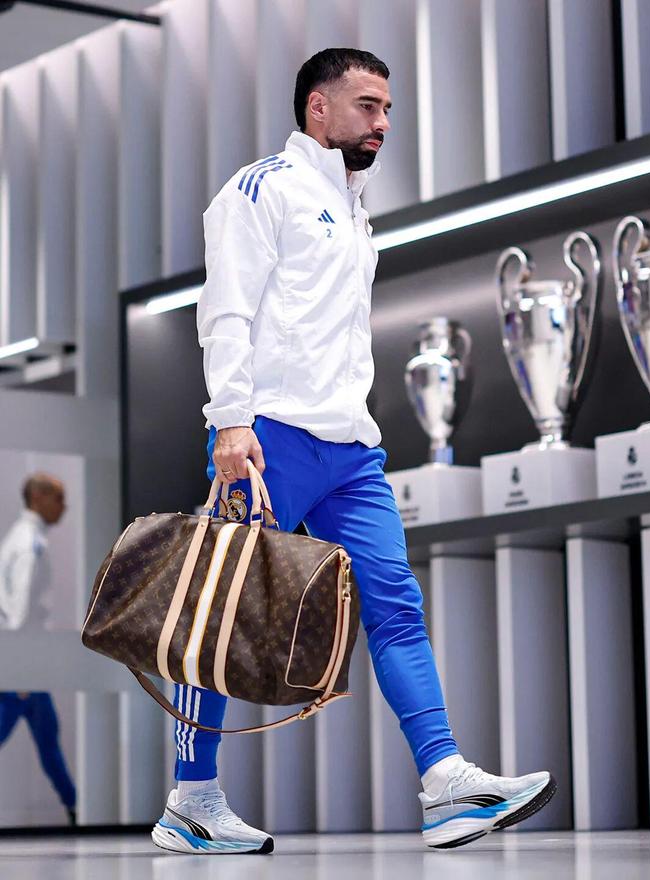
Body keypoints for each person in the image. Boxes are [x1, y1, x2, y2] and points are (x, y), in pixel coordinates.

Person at [151, 48, 555, 856]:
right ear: (318, 108)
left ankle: (445, 783)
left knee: (396, 604)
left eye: (388, 109)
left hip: (351, 449)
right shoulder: (260, 189)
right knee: (221, 614)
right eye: (369, 106)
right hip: (266, 438)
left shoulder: (352, 204)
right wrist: (231, 422)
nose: (383, 123)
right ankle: (192, 800)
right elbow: (225, 311)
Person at [0, 473, 76, 825]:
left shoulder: (23, 538)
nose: (64, 507)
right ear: (38, 498)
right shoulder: (29, 543)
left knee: (49, 743)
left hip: (26, 665)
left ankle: (75, 808)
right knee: (46, 743)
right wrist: (21, 670)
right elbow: (18, 612)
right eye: (58, 498)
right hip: (23, 668)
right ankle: (75, 808)